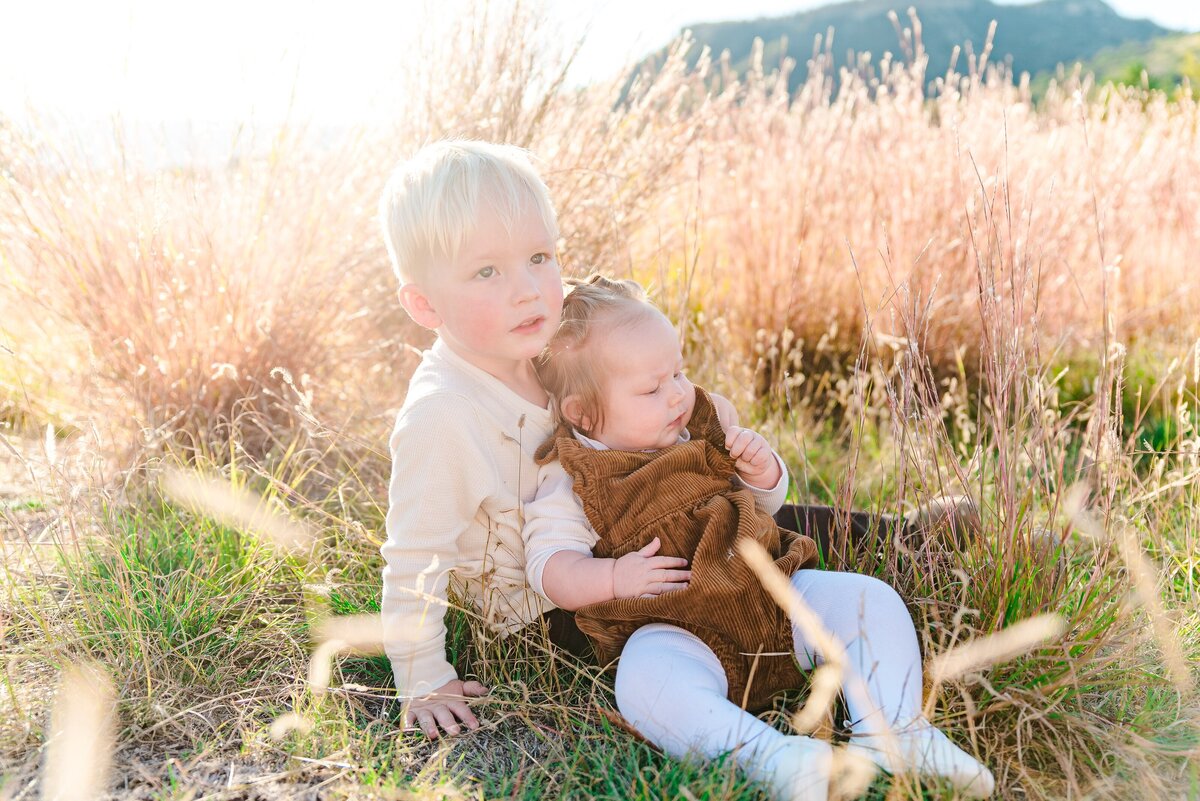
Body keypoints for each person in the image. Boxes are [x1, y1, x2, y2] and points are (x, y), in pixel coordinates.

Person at [523, 275, 995, 801]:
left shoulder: (699, 426)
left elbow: (765, 508)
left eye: (678, 372)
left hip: (775, 596)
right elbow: (549, 568)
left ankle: (896, 729)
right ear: (583, 413)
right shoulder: (573, 480)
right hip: (680, 632)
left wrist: (762, 471)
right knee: (645, 682)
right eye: (651, 389)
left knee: (868, 600)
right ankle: (772, 759)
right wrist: (611, 576)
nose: (678, 393)